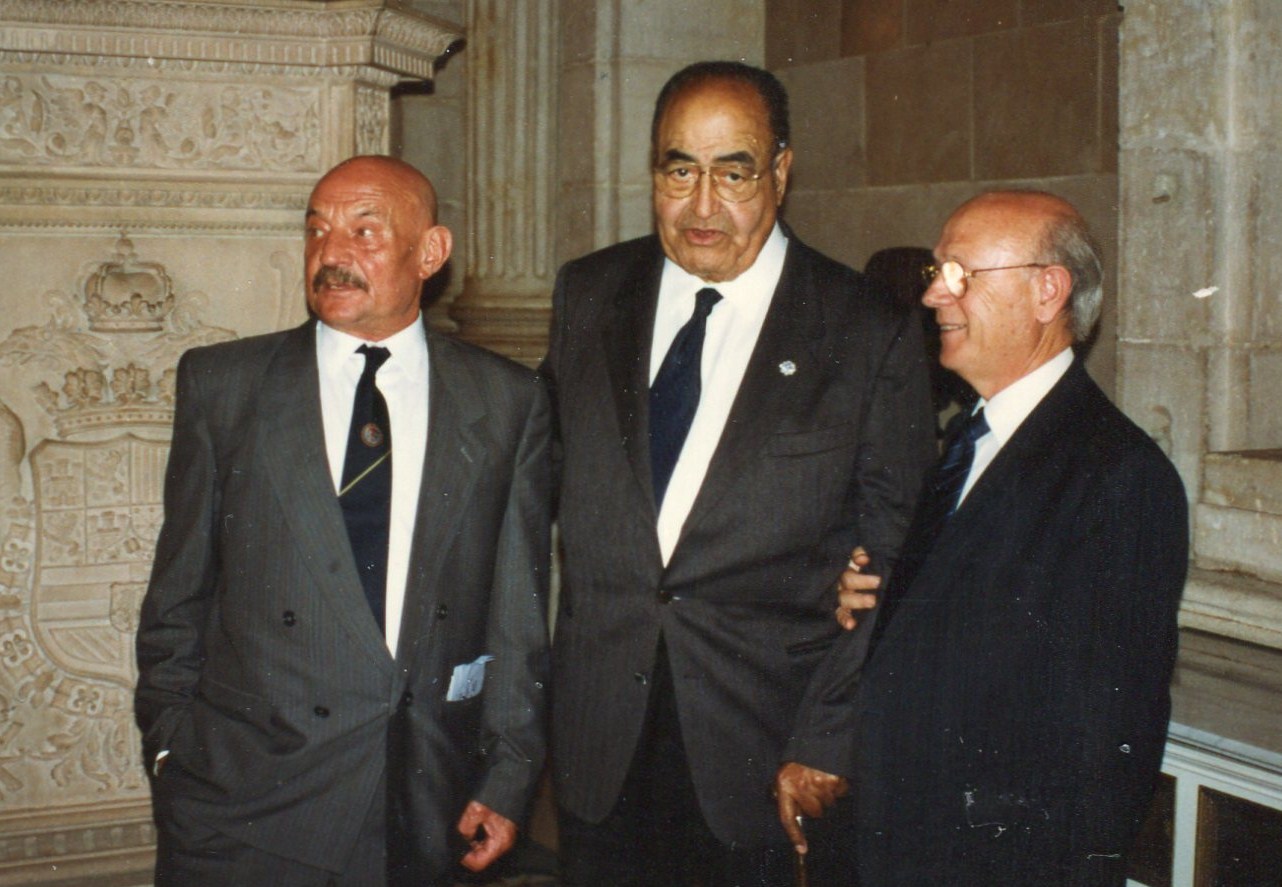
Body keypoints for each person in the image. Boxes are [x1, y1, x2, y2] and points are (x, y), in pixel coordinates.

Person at [541, 61, 937, 886]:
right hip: (596, 745)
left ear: (782, 172)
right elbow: (532, 482)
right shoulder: (591, 293)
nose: (701, 205)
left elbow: (896, 559)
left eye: (734, 171)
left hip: (762, 756)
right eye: (679, 169)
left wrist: (827, 739)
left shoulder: (867, 332)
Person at [135, 155, 551, 887]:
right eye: (318, 230)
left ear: (431, 253)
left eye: (365, 230)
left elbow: (517, 614)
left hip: (423, 799)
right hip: (246, 806)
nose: (332, 253)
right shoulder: (225, 386)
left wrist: (510, 773)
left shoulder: (506, 401)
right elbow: (176, 599)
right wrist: (173, 752)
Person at [777, 190, 1189, 885]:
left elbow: (1104, 759)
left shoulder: (1118, 477)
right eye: (938, 272)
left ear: (1046, 291)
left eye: (961, 274)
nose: (936, 294)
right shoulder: (971, 441)